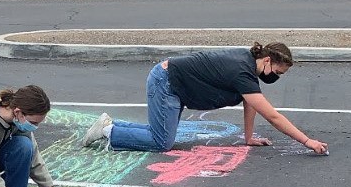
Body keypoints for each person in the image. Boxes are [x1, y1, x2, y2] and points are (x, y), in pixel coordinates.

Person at [82, 42, 328, 155]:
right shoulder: (242, 71)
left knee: (160, 133)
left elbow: (250, 102)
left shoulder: (248, 67)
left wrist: (249, 137)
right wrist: (306, 141)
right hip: (166, 83)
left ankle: (108, 124)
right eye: (276, 72)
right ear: (266, 61)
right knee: (161, 143)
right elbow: (272, 116)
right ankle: (109, 132)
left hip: (173, 84)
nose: (276, 77)